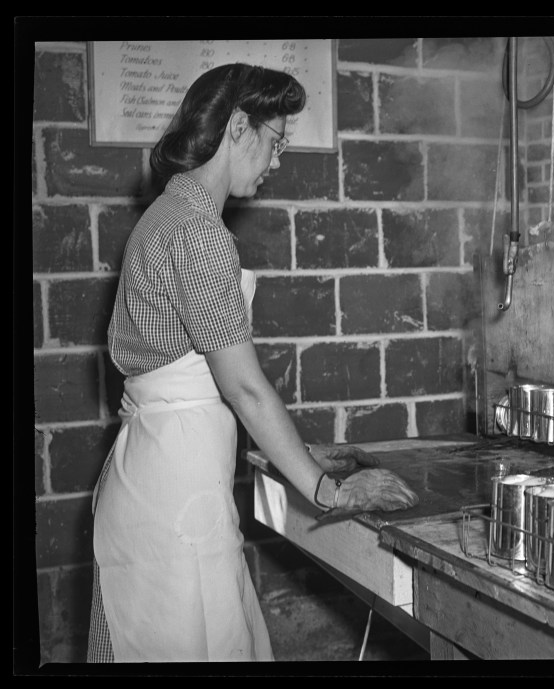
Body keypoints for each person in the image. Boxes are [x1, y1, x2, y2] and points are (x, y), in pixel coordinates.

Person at [87, 63, 419, 663]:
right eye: (276, 140)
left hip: (162, 480)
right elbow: (244, 389)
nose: (277, 159)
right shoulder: (197, 231)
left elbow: (193, 385)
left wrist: (295, 452)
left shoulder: (169, 216)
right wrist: (328, 493)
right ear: (239, 127)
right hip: (175, 498)